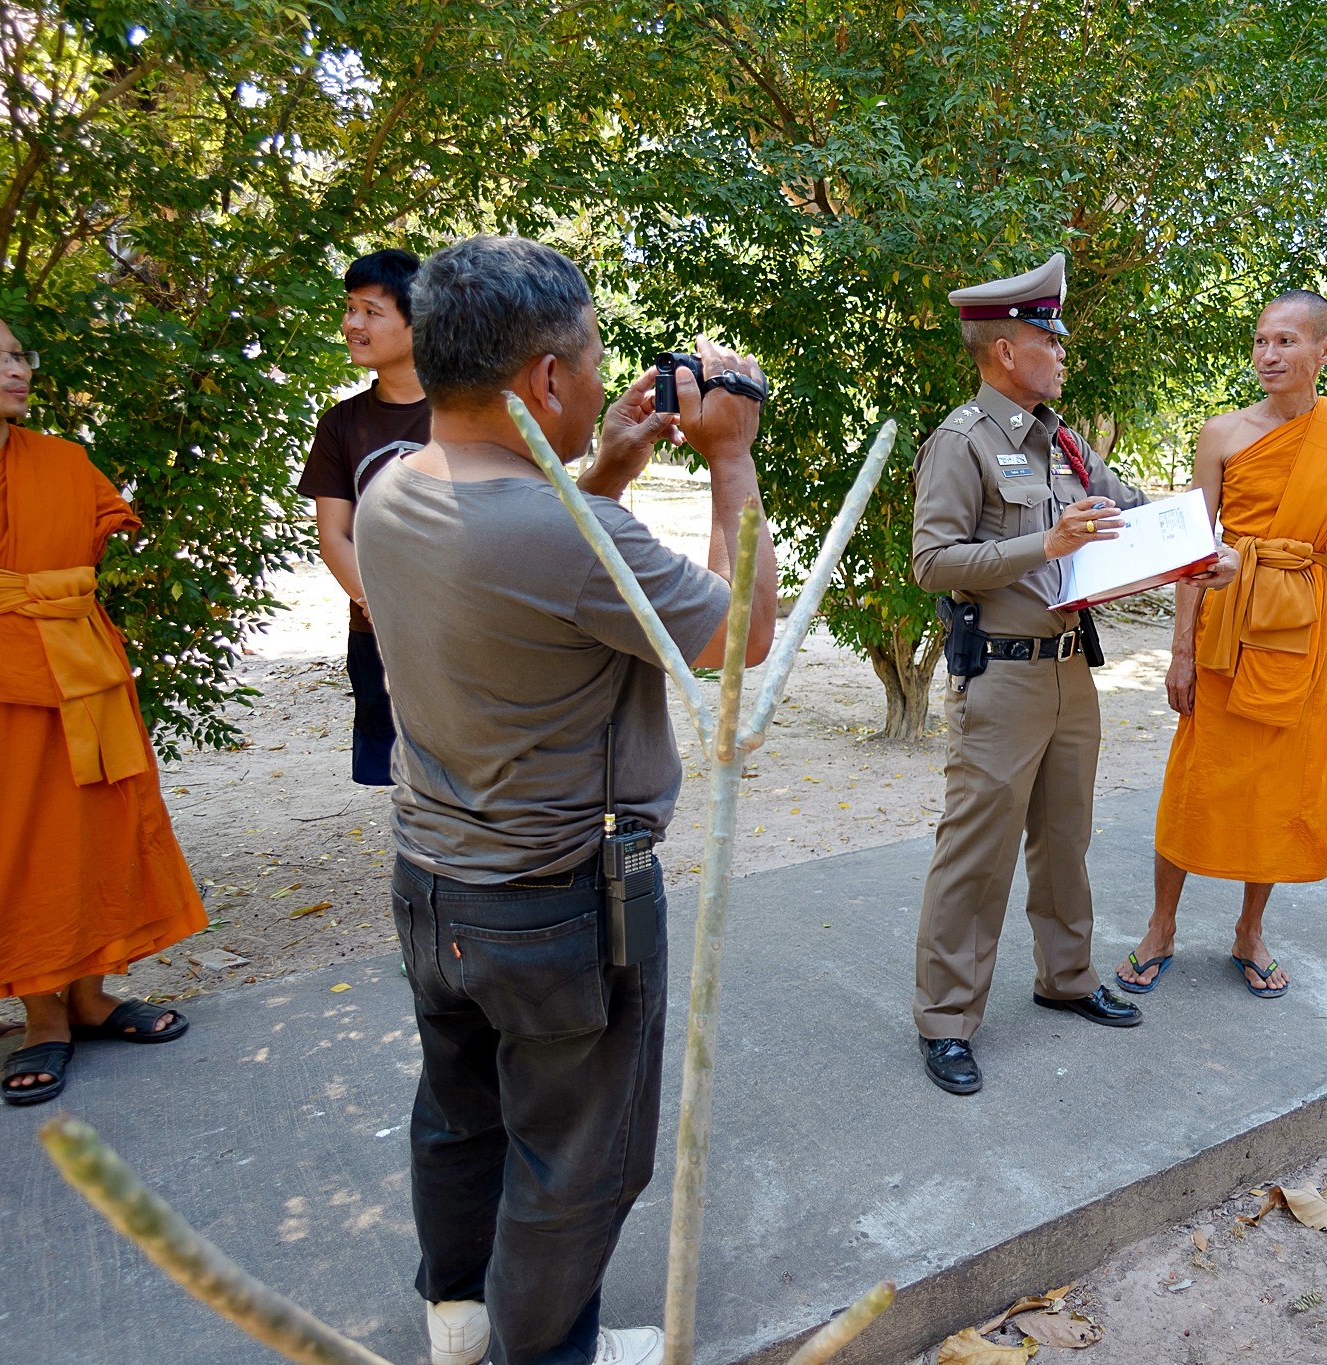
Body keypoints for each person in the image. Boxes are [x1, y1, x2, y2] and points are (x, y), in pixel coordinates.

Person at [354, 235, 774, 1365]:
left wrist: (612, 469)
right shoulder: (563, 537)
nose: (599, 383)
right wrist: (731, 461)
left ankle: (458, 1312)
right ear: (543, 379)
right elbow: (735, 644)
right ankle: (543, 1355)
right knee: (575, 1156)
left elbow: (539, 564)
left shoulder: (390, 485)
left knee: (461, 1110)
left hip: (433, 880)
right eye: (587, 363)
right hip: (559, 902)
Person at [910, 251, 1237, 1095]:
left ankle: (1066, 977)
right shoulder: (963, 441)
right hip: (1003, 678)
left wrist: (1201, 556)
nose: (1062, 354)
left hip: (1069, 674)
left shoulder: (1065, 442)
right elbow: (933, 562)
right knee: (976, 855)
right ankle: (947, 1019)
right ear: (1004, 351)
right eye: (1047, 340)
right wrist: (1043, 544)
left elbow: (1133, 513)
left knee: (1065, 840)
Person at [1118, 290, 1327, 1000]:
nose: (1269, 355)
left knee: (1283, 788)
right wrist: (1180, 652)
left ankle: (1249, 931)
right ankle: (1161, 924)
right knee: (1194, 780)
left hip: (1303, 633)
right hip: (1227, 629)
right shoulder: (1220, 434)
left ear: (1326, 351)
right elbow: (1196, 552)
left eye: (1286, 341)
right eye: (1260, 341)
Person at [0, 302, 205, 1105]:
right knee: (9, 837)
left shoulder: (61, 464)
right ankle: (42, 1016)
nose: (16, 367)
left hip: (76, 664)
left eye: (18, 353)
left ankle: (93, 996)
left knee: (94, 820)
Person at [297, 248, 430, 785]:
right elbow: (334, 535)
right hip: (375, 631)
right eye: (350, 308)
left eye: (371, 312)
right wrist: (380, 607)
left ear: (419, 324)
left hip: (463, 627)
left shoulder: (471, 411)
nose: (352, 323)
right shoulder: (340, 424)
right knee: (400, 779)